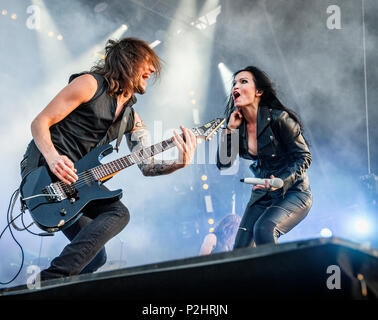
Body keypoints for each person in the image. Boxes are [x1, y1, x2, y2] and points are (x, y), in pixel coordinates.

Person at [20, 37, 196, 280]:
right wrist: (53, 158)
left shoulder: (132, 120)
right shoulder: (90, 84)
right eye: (148, 63)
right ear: (129, 61)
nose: (153, 70)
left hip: (77, 183)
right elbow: (40, 122)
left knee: (95, 258)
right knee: (119, 213)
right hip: (45, 169)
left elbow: (146, 166)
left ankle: (51, 285)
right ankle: (50, 279)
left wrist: (178, 163)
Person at [216, 66, 312, 248]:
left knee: (264, 229)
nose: (236, 86)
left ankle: (277, 276)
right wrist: (230, 130)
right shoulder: (238, 125)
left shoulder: (280, 119)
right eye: (234, 83)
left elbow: (304, 157)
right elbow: (224, 163)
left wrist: (281, 181)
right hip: (261, 195)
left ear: (259, 91)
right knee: (241, 250)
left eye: (243, 82)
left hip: (293, 191)